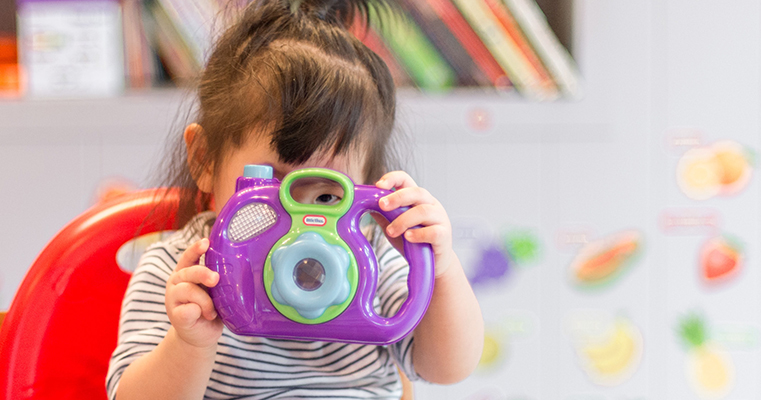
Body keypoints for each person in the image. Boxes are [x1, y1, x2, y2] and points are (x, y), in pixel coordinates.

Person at [106, 0, 484, 396]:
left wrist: (440, 270)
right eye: (271, 186)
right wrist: (188, 343)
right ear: (204, 160)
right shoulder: (181, 272)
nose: (299, 223)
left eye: (326, 197)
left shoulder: (369, 261)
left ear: (367, 191)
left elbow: (447, 368)